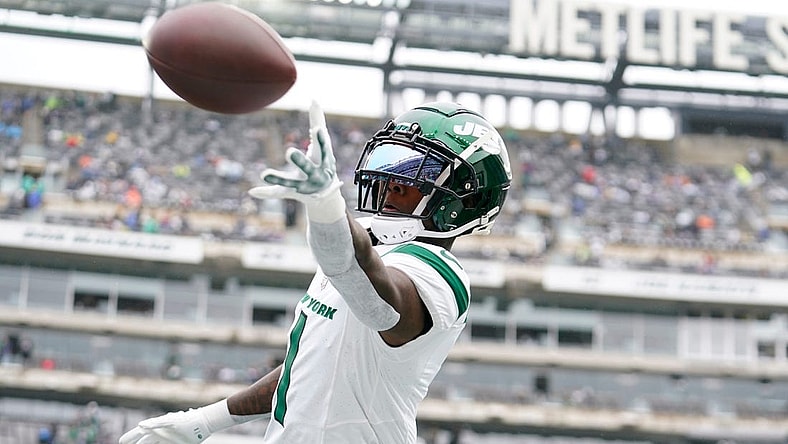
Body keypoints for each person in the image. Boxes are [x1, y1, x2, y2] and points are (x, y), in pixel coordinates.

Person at [119, 101, 512, 444]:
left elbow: (378, 303)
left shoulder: (439, 273)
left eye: (411, 178)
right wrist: (206, 420)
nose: (390, 184)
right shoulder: (361, 253)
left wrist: (329, 210)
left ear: (460, 201)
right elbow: (307, 363)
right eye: (389, 168)